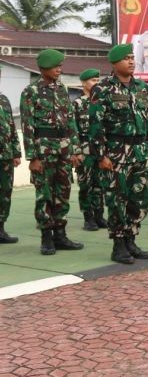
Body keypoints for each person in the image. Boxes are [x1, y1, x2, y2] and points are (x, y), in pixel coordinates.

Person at [89, 44, 148, 263]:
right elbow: (95, 125)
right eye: (126, 58)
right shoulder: (103, 89)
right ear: (115, 63)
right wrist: (101, 156)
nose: (131, 62)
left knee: (139, 198)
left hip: (140, 151)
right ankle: (118, 245)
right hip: (116, 153)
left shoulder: (142, 87)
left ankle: (131, 240)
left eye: (132, 58)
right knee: (117, 199)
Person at [21, 49, 83, 256]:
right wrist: (33, 157)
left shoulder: (62, 89)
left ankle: (60, 235)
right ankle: (46, 237)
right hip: (43, 149)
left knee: (63, 191)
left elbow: (71, 120)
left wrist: (75, 149)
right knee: (44, 194)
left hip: (64, 148)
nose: (59, 69)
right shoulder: (31, 91)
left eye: (60, 66)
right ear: (43, 68)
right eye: (55, 66)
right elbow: (28, 125)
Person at [73, 68, 106, 231]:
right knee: (86, 184)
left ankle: (99, 215)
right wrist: (76, 151)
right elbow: (73, 130)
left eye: (98, 81)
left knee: (100, 183)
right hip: (84, 149)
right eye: (93, 81)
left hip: (99, 149)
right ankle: (88, 217)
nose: (96, 84)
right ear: (84, 83)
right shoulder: (78, 104)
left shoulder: (101, 102)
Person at [0, 87, 21, 244]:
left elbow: (12, 127)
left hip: (6, 156)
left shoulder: (4, 99)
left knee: (5, 193)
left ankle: (0, 229)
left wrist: (16, 152)